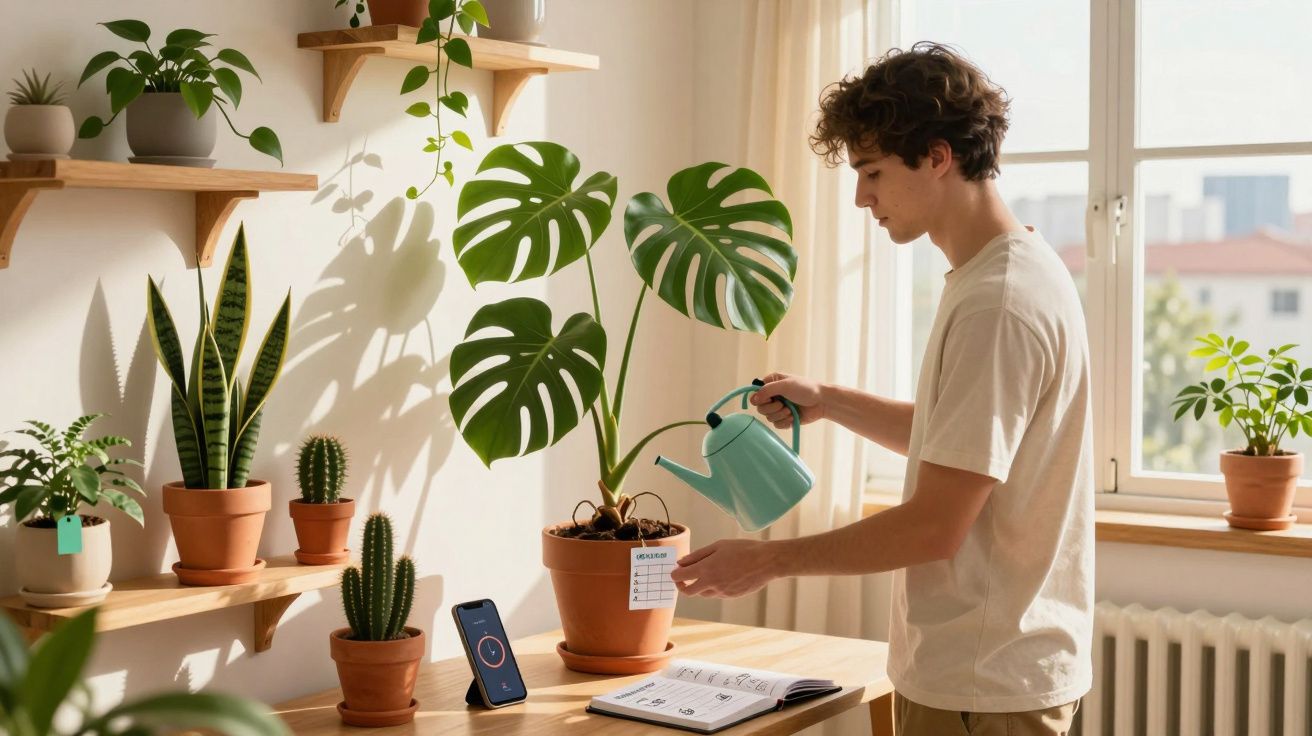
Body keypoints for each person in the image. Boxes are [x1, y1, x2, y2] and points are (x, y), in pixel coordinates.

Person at [668, 42, 1093, 736]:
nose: (862, 196)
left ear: (936, 156)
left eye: (871, 171)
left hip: (979, 688)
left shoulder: (999, 302)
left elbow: (936, 526)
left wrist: (768, 562)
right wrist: (829, 401)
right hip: (995, 673)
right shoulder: (1015, 270)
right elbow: (963, 441)